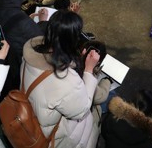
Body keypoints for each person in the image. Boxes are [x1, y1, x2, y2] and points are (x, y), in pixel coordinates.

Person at [21, 11, 100, 147]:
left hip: (32, 116)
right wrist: (88, 69)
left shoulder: (30, 56)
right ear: (73, 41)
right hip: (55, 136)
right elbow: (81, 110)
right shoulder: (65, 79)